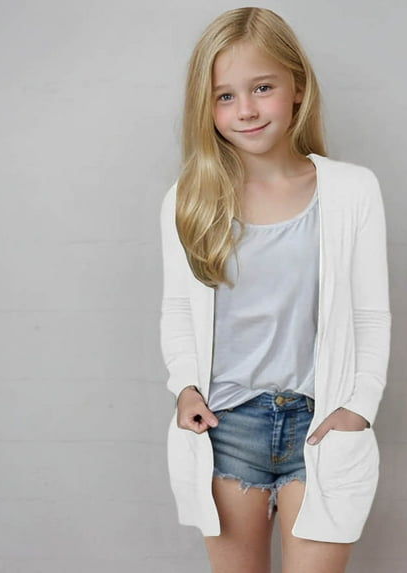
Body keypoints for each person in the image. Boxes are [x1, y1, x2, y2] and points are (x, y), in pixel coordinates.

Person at [159, 7, 391, 573]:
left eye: (262, 87)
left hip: (319, 426)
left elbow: (370, 315)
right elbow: (178, 309)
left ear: (297, 87)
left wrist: (358, 408)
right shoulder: (189, 199)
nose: (246, 109)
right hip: (227, 427)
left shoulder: (351, 191)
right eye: (225, 96)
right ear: (206, 106)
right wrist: (184, 386)